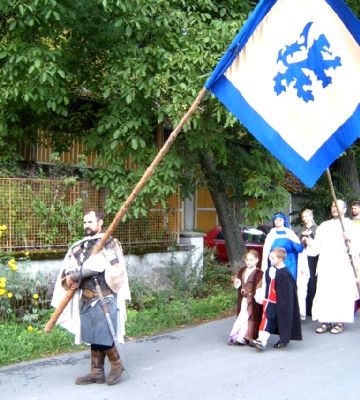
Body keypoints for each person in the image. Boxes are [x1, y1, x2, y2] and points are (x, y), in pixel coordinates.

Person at [51, 209, 131, 385]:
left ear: (100, 223)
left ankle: (117, 364)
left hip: (104, 297)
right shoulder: (79, 246)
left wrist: (77, 274)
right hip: (86, 298)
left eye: (90, 222)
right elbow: (69, 266)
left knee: (103, 334)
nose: (86, 225)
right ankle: (96, 372)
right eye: (85, 222)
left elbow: (100, 266)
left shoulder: (109, 243)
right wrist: (70, 276)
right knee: (92, 335)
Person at [304, 200, 360, 334]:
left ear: (345, 210)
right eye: (333, 206)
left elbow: (356, 247)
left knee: (340, 293)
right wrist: (309, 242)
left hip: (342, 264)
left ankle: (339, 322)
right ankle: (325, 321)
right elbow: (318, 246)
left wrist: (350, 239)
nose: (334, 208)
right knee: (325, 292)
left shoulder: (351, 226)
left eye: (337, 206)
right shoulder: (324, 226)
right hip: (326, 264)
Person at [252, 247, 302, 351]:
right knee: (266, 320)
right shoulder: (269, 270)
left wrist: (283, 303)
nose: (270, 259)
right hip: (269, 301)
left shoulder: (285, 273)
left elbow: (288, 292)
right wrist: (261, 296)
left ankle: (283, 339)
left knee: (280, 321)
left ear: (280, 259)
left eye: (273, 257)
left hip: (281, 303)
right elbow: (265, 285)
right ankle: (261, 341)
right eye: (270, 257)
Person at [261, 212, 309, 317]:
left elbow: (299, 249)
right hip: (274, 263)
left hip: (290, 263)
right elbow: (266, 251)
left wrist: (303, 243)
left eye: (280, 219)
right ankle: (277, 311)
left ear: (284, 221)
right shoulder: (271, 234)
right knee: (275, 286)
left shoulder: (290, 233)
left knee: (289, 287)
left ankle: (291, 311)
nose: (278, 221)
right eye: (276, 219)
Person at [228, 249, 263, 346]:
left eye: (251, 260)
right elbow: (237, 281)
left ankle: (242, 336)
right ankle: (240, 337)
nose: (248, 262)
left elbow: (260, 287)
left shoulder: (259, 273)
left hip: (252, 300)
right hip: (243, 299)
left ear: (257, 260)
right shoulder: (242, 270)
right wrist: (236, 282)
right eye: (247, 259)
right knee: (243, 317)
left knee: (248, 317)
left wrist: (251, 294)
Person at [299, 209, 318, 317]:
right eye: (303, 216)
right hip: (304, 256)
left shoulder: (316, 228)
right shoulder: (302, 229)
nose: (304, 218)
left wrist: (310, 239)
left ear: (311, 216)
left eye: (306, 216)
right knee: (303, 281)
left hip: (313, 257)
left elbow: (319, 243)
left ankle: (312, 308)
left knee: (312, 281)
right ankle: (305, 307)